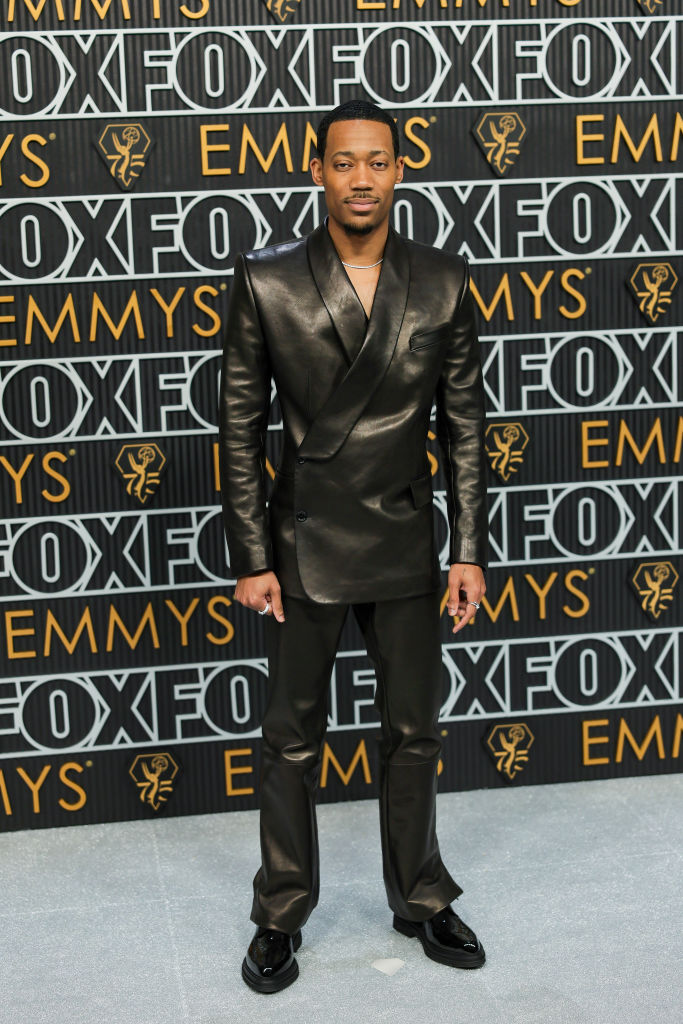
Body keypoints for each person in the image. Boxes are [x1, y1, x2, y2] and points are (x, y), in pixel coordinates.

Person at [218, 99, 488, 994]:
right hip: (303, 541)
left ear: (399, 169)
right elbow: (240, 423)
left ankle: (420, 897)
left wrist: (468, 549)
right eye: (343, 162)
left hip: (407, 538)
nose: (360, 178)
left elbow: (464, 429)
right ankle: (279, 912)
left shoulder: (444, 279)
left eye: (376, 161)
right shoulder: (266, 279)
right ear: (317, 171)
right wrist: (252, 556)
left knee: (413, 733)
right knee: (291, 739)